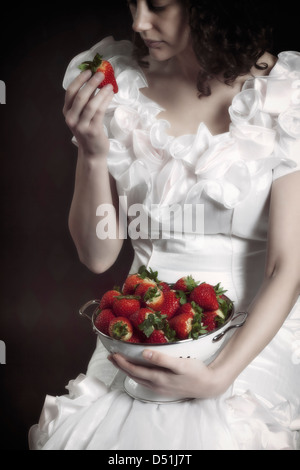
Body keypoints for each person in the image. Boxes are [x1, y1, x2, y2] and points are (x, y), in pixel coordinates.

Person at [29, 0, 300, 450]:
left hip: (255, 329)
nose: (138, 23)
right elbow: (98, 257)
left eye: (157, 5)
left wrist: (215, 378)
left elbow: (287, 269)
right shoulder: (121, 84)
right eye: (132, 3)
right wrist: (92, 153)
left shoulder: (284, 94)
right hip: (142, 324)